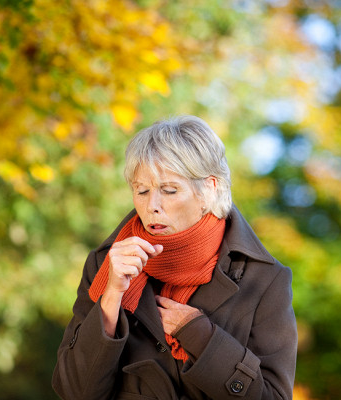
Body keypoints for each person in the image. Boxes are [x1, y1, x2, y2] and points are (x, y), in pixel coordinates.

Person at [52, 115, 297, 399]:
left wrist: (200, 336)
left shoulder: (265, 278)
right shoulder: (107, 264)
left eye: (169, 190)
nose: (152, 206)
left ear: (210, 188)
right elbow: (73, 391)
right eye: (141, 190)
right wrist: (110, 299)